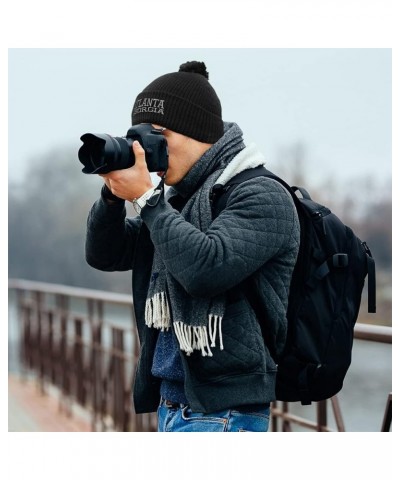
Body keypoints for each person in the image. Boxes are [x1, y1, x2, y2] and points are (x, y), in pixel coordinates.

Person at [85, 61, 300, 432]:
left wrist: (150, 201)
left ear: (199, 133)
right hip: (174, 404)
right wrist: (112, 196)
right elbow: (105, 254)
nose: (149, 150)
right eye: (140, 138)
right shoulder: (181, 202)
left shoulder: (260, 194)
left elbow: (205, 268)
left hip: (225, 413)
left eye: (159, 136)